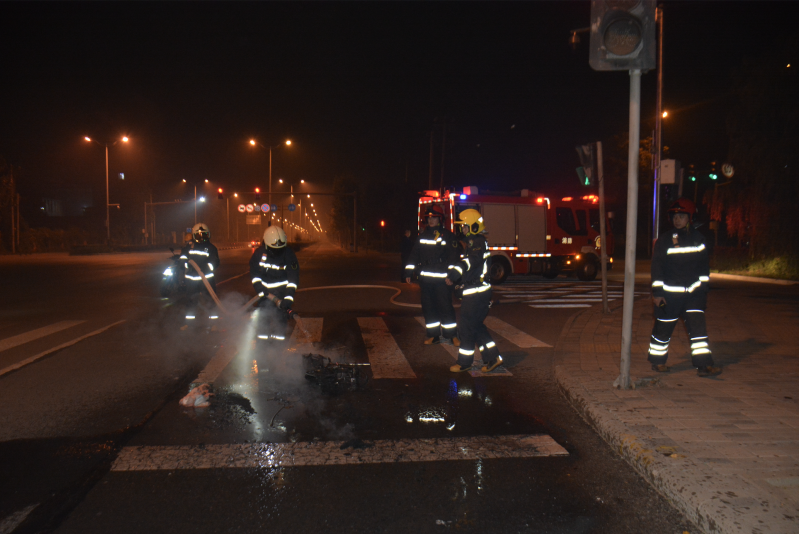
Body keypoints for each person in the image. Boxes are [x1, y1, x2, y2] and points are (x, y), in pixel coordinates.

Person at [648, 198, 721, 377]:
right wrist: (657, 294)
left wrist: (703, 290)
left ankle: (704, 365)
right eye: (674, 216)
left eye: (681, 216)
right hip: (669, 297)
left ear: (691, 218)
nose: (677, 220)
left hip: (694, 296)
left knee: (699, 333)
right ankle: (657, 362)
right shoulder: (664, 241)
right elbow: (657, 268)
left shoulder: (699, 240)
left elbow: (704, 268)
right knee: (663, 328)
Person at [446, 209, 503, 373]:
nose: (462, 229)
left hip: (477, 292)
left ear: (474, 227)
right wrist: (461, 285)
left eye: (464, 226)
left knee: (466, 327)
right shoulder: (474, 242)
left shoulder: (475, 243)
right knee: (474, 325)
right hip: (476, 291)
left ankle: (465, 362)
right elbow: (474, 269)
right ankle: (493, 358)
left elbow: (471, 262)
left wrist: (455, 273)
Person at [404, 205, 459, 345]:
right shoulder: (422, 237)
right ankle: (433, 335)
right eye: (429, 217)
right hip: (426, 281)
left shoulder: (447, 236)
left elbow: (454, 258)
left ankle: (452, 335)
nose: (431, 220)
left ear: (440, 219)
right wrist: (408, 271)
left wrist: (452, 276)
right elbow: (414, 255)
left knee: (445, 307)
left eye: (434, 217)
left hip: (443, 280)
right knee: (429, 308)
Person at [250, 225, 300, 354]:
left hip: (282, 296)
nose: (277, 252)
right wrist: (260, 289)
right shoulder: (259, 254)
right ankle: (262, 350)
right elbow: (255, 275)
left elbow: (293, 278)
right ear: (266, 244)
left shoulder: (288, 254)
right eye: (274, 249)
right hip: (264, 296)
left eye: (280, 249)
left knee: (280, 325)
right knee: (263, 324)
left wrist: (288, 299)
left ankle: (278, 352)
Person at [180, 222, 220, 322]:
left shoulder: (211, 248)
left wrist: (207, 267)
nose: (202, 238)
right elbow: (182, 259)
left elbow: (215, 261)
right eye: (199, 235)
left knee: (210, 301)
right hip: (191, 281)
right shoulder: (189, 248)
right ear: (194, 235)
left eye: (204, 235)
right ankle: (189, 324)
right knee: (191, 302)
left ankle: (213, 323)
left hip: (206, 280)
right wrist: (186, 264)